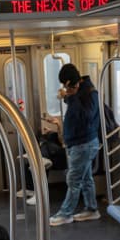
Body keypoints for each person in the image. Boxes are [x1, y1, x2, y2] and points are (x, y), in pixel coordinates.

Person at [49, 63, 103, 225]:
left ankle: (66, 213)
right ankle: (92, 209)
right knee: (86, 179)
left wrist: (71, 96)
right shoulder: (78, 91)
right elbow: (76, 110)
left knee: (73, 180)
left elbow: (85, 117)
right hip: (78, 143)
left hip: (84, 144)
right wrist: (67, 97)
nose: (66, 88)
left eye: (66, 86)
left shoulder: (91, 93)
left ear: (71, 82)